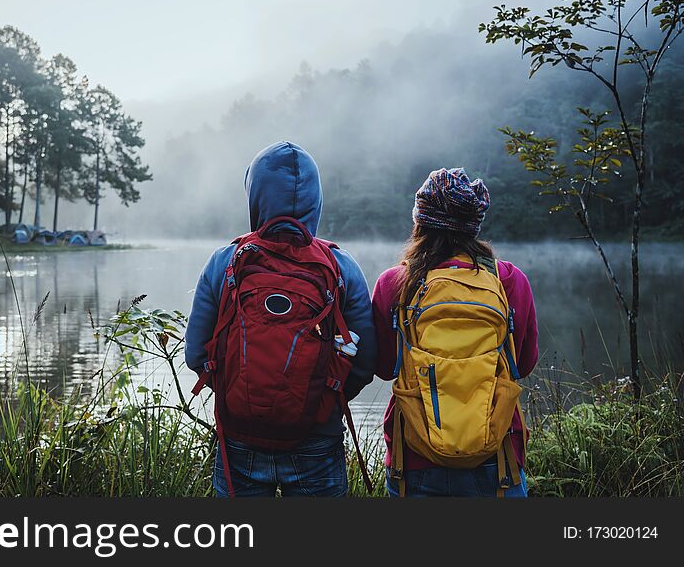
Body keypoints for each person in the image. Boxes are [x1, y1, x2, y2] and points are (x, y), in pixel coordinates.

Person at [185, 141, 378, 497]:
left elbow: (196, 355)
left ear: (255, 195)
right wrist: (319, 400)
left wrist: (242, 396)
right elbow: (365, 362)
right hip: (317, 440)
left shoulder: (224, 261)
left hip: (239, 437)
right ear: (315, 201)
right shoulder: (342, 267)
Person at [372, 167, 538, 497]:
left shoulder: (394, 284)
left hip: (415, 456)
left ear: (421, 222)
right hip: (496, 458)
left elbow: (382, 366)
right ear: (473, 226)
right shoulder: (508, 281)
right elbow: (524, 363)